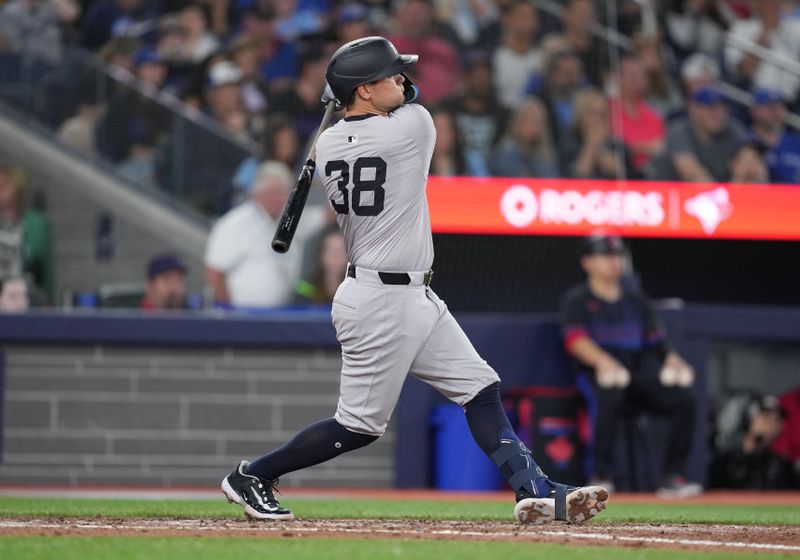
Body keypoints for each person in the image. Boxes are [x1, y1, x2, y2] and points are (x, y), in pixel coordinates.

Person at [220, 36, 609, 525]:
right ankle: (253, 474)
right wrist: (351, 93)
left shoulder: (331, 142)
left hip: (407, 292)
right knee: (359, 426)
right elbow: (416, 100)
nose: (402, 79)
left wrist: (342, 97)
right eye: (390, 74)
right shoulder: (412, 128)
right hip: (380, 298)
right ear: (363, 90)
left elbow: (385, 105)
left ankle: (532, 488)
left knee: (479, 387)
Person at [559, 234, 701, 497]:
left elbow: (658, 342)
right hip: (596, 378)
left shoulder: (636, 301)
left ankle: (671, 477)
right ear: (587, 262)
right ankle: (602, 475)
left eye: (617, 256)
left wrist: (673, 359)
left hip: (635, 377)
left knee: (684, 399)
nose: (614, 262)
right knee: (609, 396)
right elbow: (575, 341)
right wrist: (604, 362)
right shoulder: (577, 300)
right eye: (606, 256)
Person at [204, 161, 325, 308]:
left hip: (279, 315)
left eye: (285, 192)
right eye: (275, 193)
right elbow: (214, 271)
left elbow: (329, 215)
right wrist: (228, 310)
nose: (281, 199)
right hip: (241, 316)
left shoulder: (293, 219)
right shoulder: (234, 223)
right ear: (257, 194)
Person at [709, 393, 796, 489]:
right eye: (766, 417)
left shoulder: (781, 466)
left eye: (777, 419)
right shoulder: (724, 463)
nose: (772, 424)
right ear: (749, 419)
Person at [0, 164, 53, 306]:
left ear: (18, 186)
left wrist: (49, 301)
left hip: (27, 293)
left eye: (5, 183)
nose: (1, 187)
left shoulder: (37, 223)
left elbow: (46, 269)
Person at [748, 88, 800, 184]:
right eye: (771, 108)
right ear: (755, 110)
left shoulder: (796, 142)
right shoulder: (745, 143)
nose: (777, 112)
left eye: (781, 107)